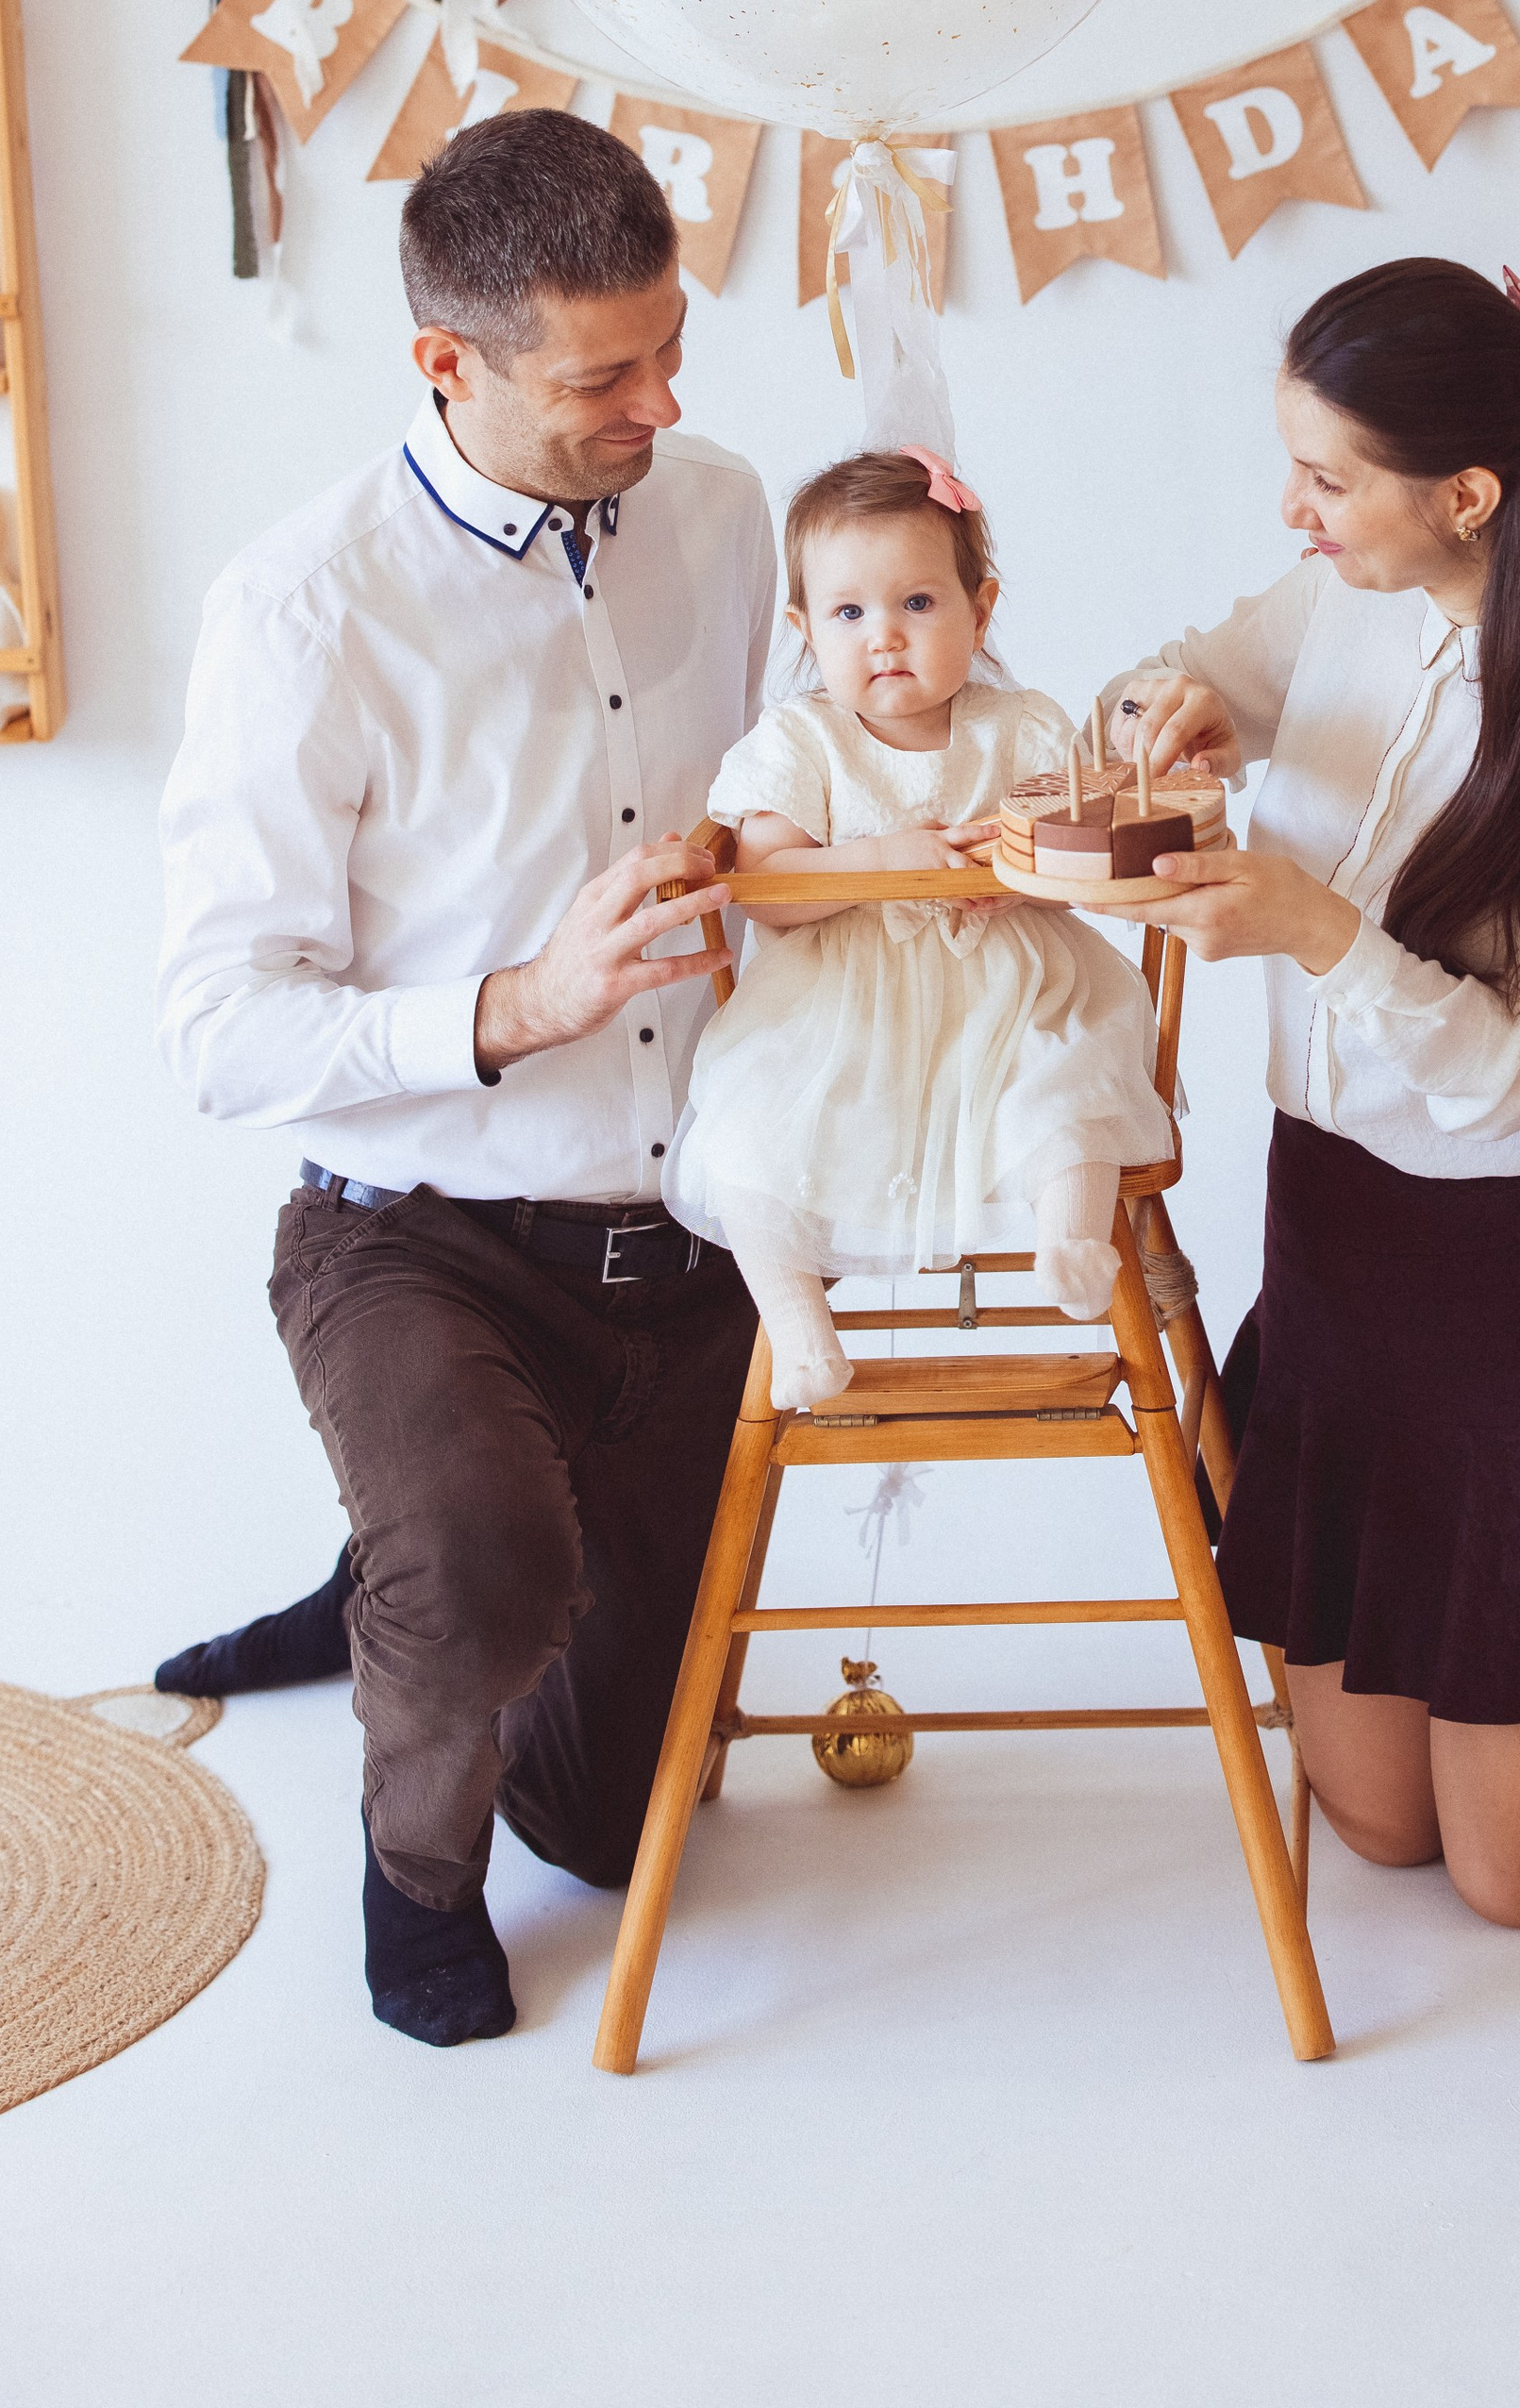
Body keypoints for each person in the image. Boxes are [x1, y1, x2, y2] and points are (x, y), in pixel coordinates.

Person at [154, 109, 776, 2048]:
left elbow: (774, 793)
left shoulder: (728, 508)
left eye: (672, 344)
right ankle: (409, 1843)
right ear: (447, 362)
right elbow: (217, 1024)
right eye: (606, 372)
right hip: (413, 1234)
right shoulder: (302, 606)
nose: (661, 400)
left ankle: (401, 1561)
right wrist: (509, 1002)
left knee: (609, 1821)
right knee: (491, 1595)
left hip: (686, 1237)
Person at [1111, 257, 1520, 1933]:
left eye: (1329, 477)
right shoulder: (1343, 594)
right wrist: (1162, 711)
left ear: (1468, 492)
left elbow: (1512, 1074)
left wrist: (1316, 929)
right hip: (1341, 1237)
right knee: (1379, 1824)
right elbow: (1191, 663)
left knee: (1517, 1881)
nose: (1295, 507)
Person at [667, 450, 1174, 1402]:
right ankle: (796, 1318)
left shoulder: (1019, 725)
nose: (884, 637)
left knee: (1065, 1073)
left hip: (1007, 982)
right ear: (805, 629)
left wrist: (1017, 877)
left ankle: (1069, 1238)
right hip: (843, 1003)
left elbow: (1074, 862)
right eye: (849, 613)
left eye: (918, 604)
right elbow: (767, 889)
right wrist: (874, 859)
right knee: (754, 1123)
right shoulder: (798, 741)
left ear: (980, 613)